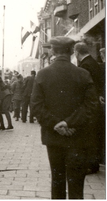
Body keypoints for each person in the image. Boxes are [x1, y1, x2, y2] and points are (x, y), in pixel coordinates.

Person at [31, 36, 99, 199]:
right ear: (71, 52)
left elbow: (36, 106)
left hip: (53, 137)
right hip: (78, 135)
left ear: (53, 51)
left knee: (57, 180)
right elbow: (92, 105)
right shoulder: (83, 74)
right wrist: (69, 122)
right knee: (76, 183)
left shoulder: (42, 74)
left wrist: (56, 124)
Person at [74, 42, 105, 174]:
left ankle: (91, 165)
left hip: (89, 106)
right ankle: (94, 163)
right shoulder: (93, 62)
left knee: (89, 135)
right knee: (94, 134)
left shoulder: (85, 65)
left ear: (77, 53)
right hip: (96, 104)